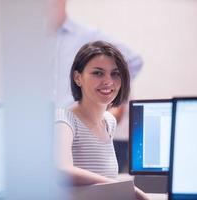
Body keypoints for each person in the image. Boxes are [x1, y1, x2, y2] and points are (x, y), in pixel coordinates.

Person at [54, 41, 149, 200]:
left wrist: (120, 186)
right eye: (98, 73)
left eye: (115, 73)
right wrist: (126, 188)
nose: (108, 81)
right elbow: (62, 170)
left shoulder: (109, 122)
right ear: (78, 78)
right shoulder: (64, 119)